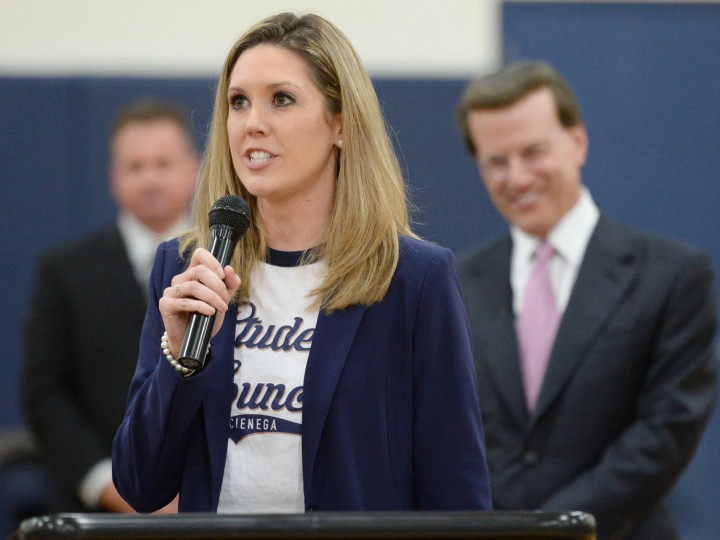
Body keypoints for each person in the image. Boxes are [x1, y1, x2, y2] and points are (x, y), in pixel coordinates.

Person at [112, 12, 491, 514]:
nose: (253, 124)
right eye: (238, 102)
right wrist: (181, 362)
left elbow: (456, 489)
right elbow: (141, 485)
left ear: (340, 123)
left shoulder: (413, 279)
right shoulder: (186, 268)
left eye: (282, 99)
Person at [455, 60, 717, 539]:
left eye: (533, 152)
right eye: (496, 161)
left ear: (577, 142)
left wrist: (551, 530)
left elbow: (666, 432)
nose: (516, 177)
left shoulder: (672, 275)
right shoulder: (456, 282)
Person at [22, 99, 200, 513]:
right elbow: (45, 392)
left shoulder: (226, 265)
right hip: (98, 514)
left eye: (163, 163)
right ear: (113, 178)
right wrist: (110, 485)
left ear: (193, 169)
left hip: (209, 504)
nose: (150, 179)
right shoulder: (65, 272)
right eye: (135, 167)